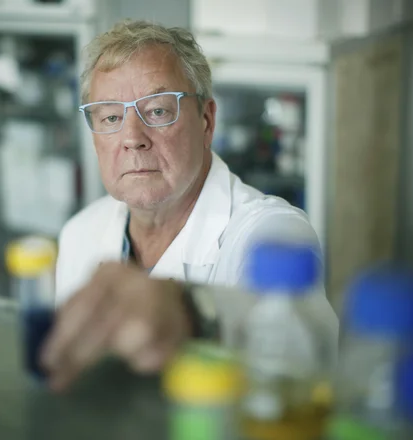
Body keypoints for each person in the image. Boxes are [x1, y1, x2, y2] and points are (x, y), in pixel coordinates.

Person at [41, 20, 338, 391]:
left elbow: (304, 354)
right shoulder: (80, 234)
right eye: (112, 117)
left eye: (159, 111)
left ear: (207, 121)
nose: (132, 138)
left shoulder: (269, 232)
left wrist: (189, 313)